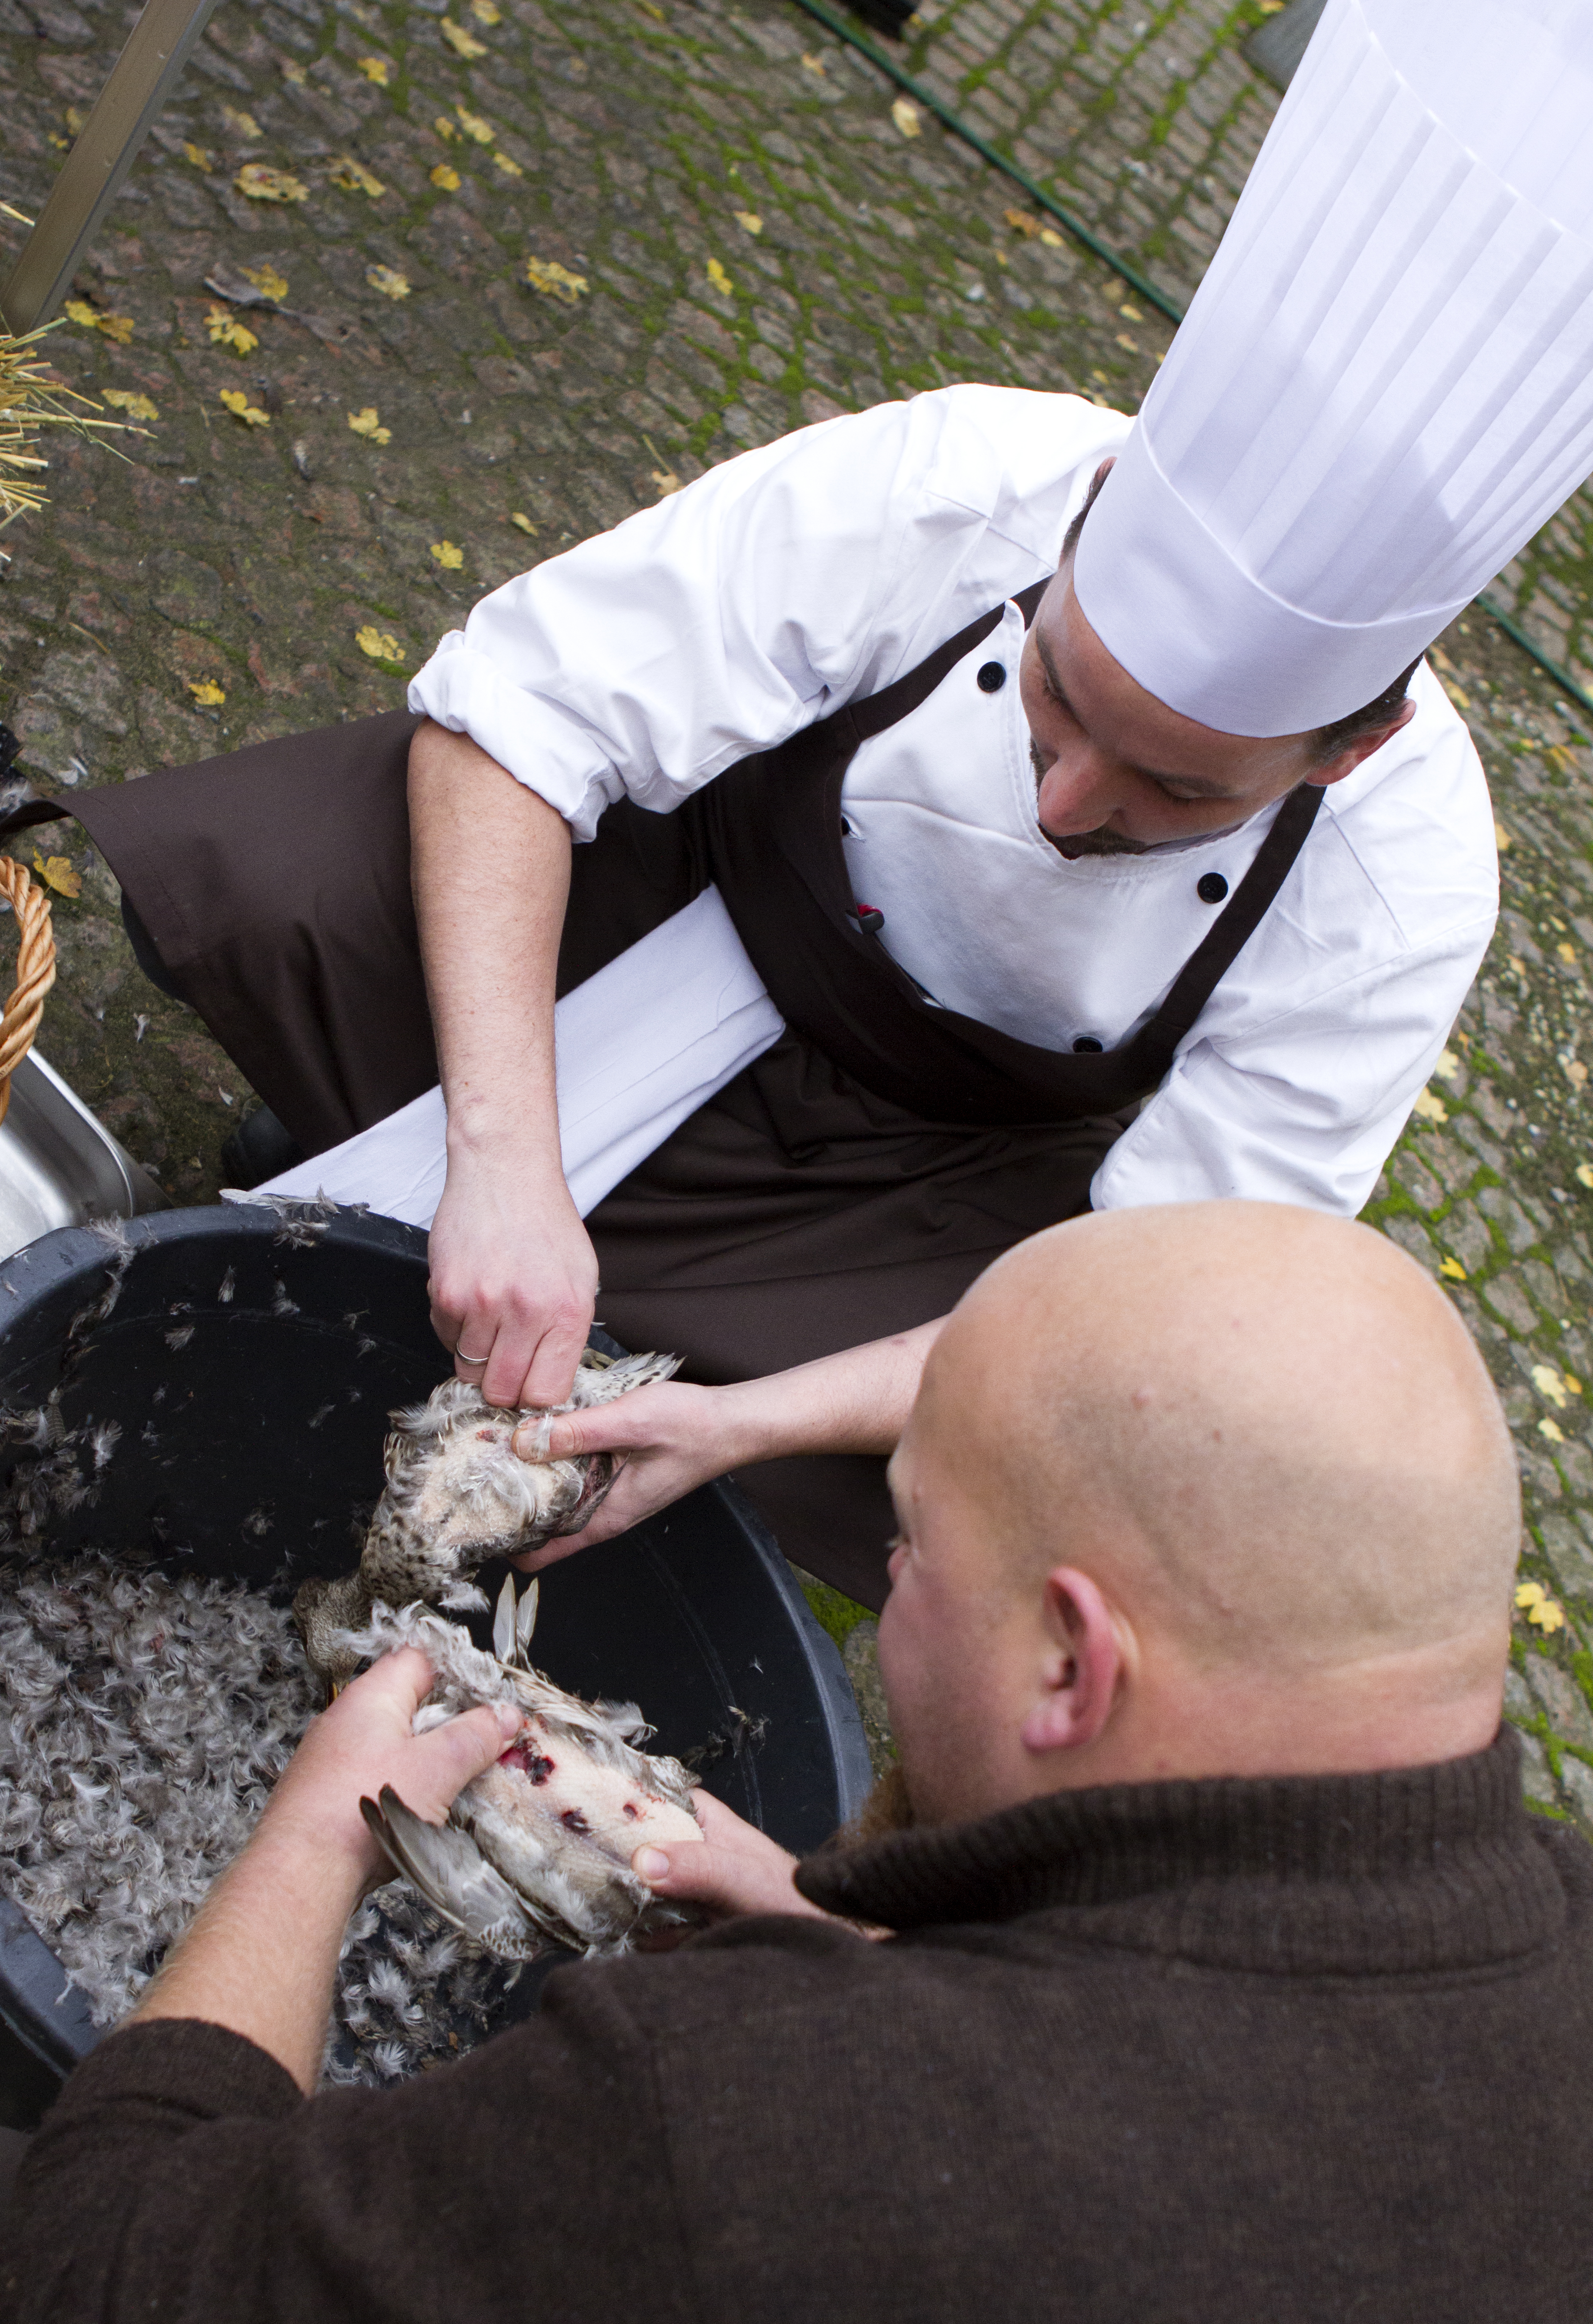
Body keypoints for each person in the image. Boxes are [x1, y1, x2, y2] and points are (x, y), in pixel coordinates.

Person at [10, 0, 1590, 1607]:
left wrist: (740, 1425)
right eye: (1053, 695)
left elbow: (1144, 1294)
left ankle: (628, 1363)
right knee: (300, 879)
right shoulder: (968, 477)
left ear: (1345, 751)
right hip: (683, 890)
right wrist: (504, 1157)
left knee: (1027, 1466)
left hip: (916, 1166)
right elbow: (514, 716)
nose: (1064, 800)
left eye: (1173, 789)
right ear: (1083, 523)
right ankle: (383, 1134)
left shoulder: (1403, 888)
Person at [3, 1197, 1587, 2324]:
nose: (887, 1582)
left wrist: (316, 1837)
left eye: (907, 1548)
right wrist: (874, 1943)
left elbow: (98, 2268)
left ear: (1071, 1661)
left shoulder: (762, 2123)